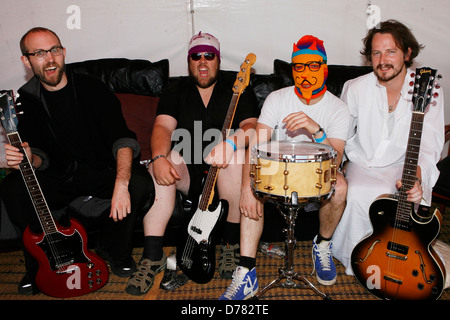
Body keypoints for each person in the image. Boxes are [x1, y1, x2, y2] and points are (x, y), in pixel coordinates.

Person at [1, 27, 154, 294]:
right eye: (39, 53)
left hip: (99, 171)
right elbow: (40, 158)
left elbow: (122, 138)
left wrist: (121, 182)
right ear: (26, 61)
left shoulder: (93, 88)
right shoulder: (25, 100)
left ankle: (115, 250)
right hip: (58, 177)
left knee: (138, 182)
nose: (49, 59)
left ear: (63, 52)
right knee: (13, 187)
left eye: (54, 50)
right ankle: (36, 265)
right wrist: (28, 158)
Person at [125, 32, 260, 295]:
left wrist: (230, 144)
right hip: (188, 172)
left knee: (238, 157)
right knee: (163, 160)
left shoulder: (238, 86)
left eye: (209, 56)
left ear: (218, 60)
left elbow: (252, 128)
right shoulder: (176, 90)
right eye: (195, 56)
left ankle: (230, 247)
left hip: (224, 175)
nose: (202, 61)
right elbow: (163, 126)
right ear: (188, 61)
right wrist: (159, 158)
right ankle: (153, 255)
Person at [220, 35, 349, 300]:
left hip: (316, 172)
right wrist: (246, 188)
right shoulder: (277, 99)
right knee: (252, 189)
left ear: (324, 68)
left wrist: (316, 131)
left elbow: (335, 162)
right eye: (299, 67)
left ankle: (322, 244)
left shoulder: (338, 108)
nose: (305, 73)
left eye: (313, 65)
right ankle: (246, 272)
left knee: (342, 187)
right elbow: (255, 147)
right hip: (275, 171)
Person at [331, 20, 445, 276]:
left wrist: (416, 177)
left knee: (400, 196)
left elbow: (430, 143)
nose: (383, 60)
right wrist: (338, 166)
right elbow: (342, 135)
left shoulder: (429, 87)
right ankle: (355, 260)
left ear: (407, 53)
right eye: (376, 53)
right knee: (360, 192)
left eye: (391, 51)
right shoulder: (355, 88)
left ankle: (398, 260)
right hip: (364, 162)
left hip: (405, 164)